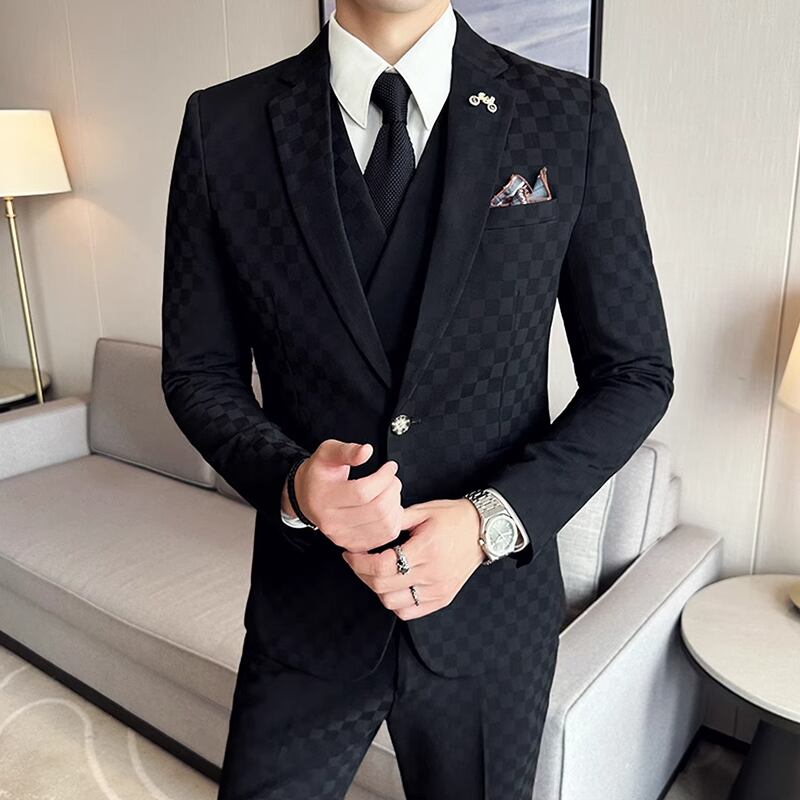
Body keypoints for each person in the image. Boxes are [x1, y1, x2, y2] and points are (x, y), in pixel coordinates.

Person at [161, 1, 674, 797]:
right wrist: (293, 484)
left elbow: (635, 371)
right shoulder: (222, 126)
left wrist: (490, 521)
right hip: (309, 612)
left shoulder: (567, 117)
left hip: (490, 622)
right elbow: (198, 372)